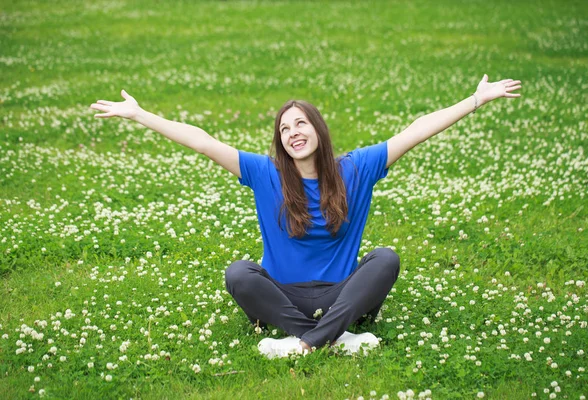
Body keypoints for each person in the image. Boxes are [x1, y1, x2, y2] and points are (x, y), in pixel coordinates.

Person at [90, 74, 521, 358]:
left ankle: (304, 342)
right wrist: (140, 115)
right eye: (284, 129)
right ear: (280, 141)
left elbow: (417, 129)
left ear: (317, 129)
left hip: (341, 292)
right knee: (239, 273)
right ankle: (338, 337)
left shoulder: (357, 167)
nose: (293, 133)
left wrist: (475, 100)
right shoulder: (265, 173)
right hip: (284, 295)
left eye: (300, 124)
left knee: (385, 258)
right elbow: (202, 142)